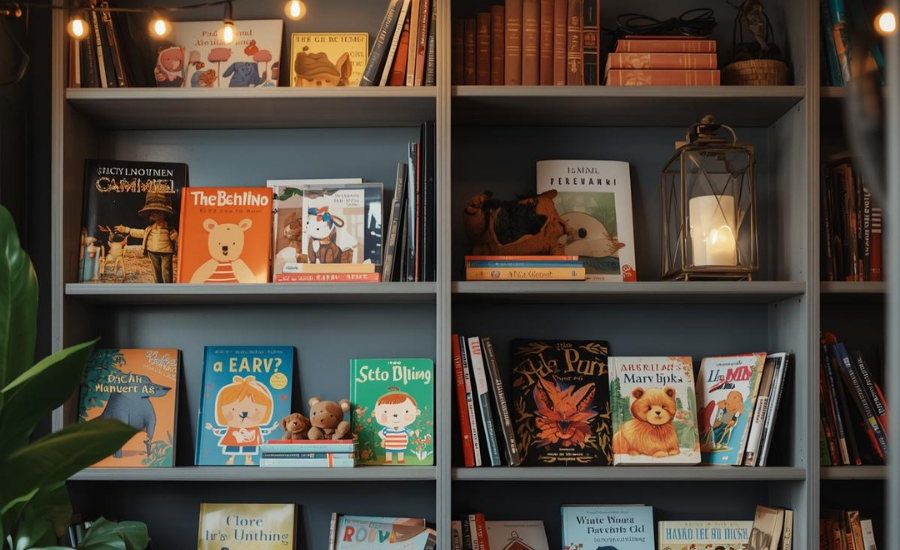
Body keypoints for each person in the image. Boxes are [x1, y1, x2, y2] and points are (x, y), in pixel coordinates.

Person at [116, 191, 177, 283]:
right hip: (152, 252)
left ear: (165, 214)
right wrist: (126, 229)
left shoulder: (169, 228)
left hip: (166, 252)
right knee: (156, 272)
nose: (155, 214)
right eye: (153, 212)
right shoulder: (150, 228)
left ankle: (167, 287)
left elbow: (176, 239)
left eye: (159, 212)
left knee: (166, 272)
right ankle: (158, 286)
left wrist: (176, 239)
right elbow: (141, 233)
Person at [374, 389, 421, 465]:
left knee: (401, 452)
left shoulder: (404, 429)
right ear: (375, 413)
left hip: (401, 444)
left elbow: (411, 433)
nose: (395, 415)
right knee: (388, 452)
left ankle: (400, 460)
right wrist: (383, 439)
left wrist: (416, 433)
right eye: (385, 412)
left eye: (406, 411)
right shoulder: (386, 429)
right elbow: (381, 433)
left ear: (416, 412)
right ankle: (389, 460)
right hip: (389, 444)